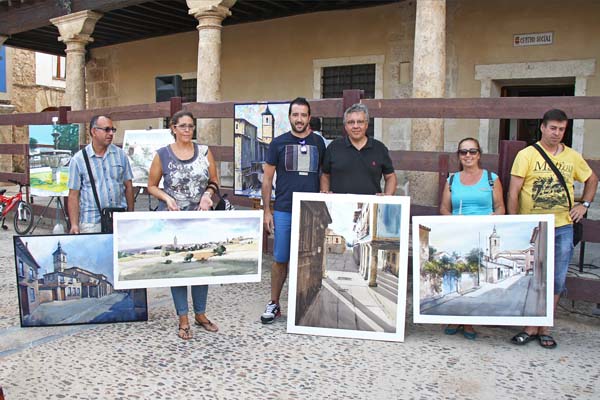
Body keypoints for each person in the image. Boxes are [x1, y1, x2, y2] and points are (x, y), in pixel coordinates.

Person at [508, 109, 598, 349]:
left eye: (562, 129)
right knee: (531, 276)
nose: (557, 133)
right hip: (532, 226)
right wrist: (514, 221)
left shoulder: (572, 157)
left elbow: (592, 179)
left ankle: (545, 326)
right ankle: (530, 326)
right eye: (553, 128)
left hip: (562, 226)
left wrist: (585, 205)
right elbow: (514, 191)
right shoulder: (526, 155)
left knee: (557, 277)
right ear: (543, 127)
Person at [147, 110, 220, 339]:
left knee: (201, 265)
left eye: (191, 126)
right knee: (177, 268)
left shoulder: (205, 152)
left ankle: (200, 313)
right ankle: (183, 318)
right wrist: (167, 198)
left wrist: (208, 195)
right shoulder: (163, 155)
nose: (187, 130)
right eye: (183, 126)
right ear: (173, 128)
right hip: (174, 218)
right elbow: (151, 185)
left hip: (200, 217)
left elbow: (214, 182)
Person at [261, 97, 326, 324]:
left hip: (311, 211)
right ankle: (274, 303)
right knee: (280, 258)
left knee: (310, 258)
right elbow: (267, 180)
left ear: (309, 117)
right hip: (284, 210)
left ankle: (306, 305)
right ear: (289, 117)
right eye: (295, 115)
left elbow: (324, 175)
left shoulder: (319, 143)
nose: (299, 119)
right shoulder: (278, 143)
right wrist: (267, 211)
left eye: (303, 115)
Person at [439, 137, 506, 340]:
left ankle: (468, 320)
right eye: (463, 152)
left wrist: (495, 217)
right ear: (459, 156)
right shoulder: (451, 180)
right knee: (459, 273)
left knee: (475, 275)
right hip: (460, 235)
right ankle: (456, 316)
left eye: (472, 151)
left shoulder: (491, 179)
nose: (468, 155)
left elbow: (500, 206)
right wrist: (452, 220)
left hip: (481, 235)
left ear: (479, 154)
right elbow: (443, 207)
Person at [68, 115, 134, 234]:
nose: (110, 133)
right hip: (92, 221)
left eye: (112, 130)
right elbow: (73, 195)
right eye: (106, 129)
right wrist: (74, 224)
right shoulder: (78, 160)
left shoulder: (120, 155)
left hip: (118, 218)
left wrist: (129, 215)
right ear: (94, 131)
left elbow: (128, 187)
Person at [320, 103, 397, 195]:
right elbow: (325, 175)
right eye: (351, 122)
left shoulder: (379, 148)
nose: (355, 126)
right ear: (345, 126)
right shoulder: (333, 147)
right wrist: (326, 196)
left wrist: (387, 197)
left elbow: (390, 176)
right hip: (338, 207)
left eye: (360, 122)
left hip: (370, 208)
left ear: (366, 124)